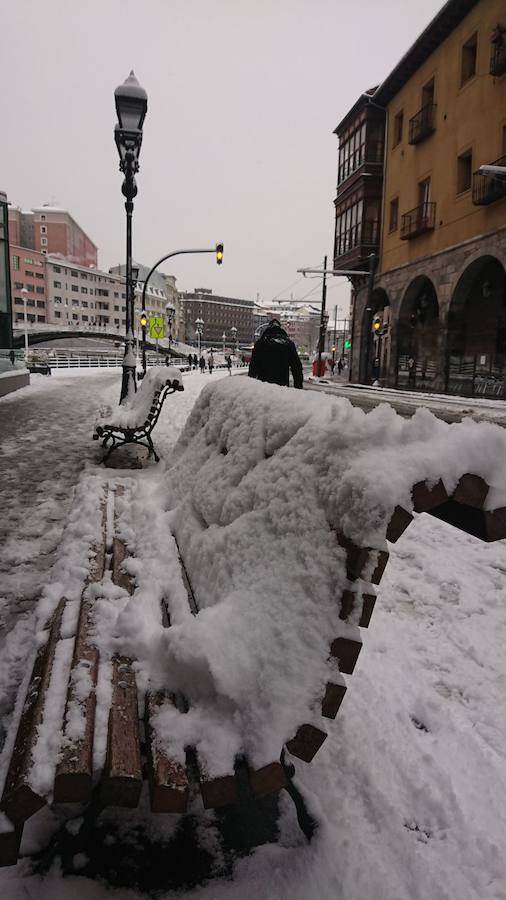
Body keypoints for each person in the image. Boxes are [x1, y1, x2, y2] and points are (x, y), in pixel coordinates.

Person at [248, 319, 303, 389]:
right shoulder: (288, 344)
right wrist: (298, 388)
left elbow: (253, 367)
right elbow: (297, 368)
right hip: (282, 387)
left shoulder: (260, 344)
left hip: (263, 387)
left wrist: (251, 387)